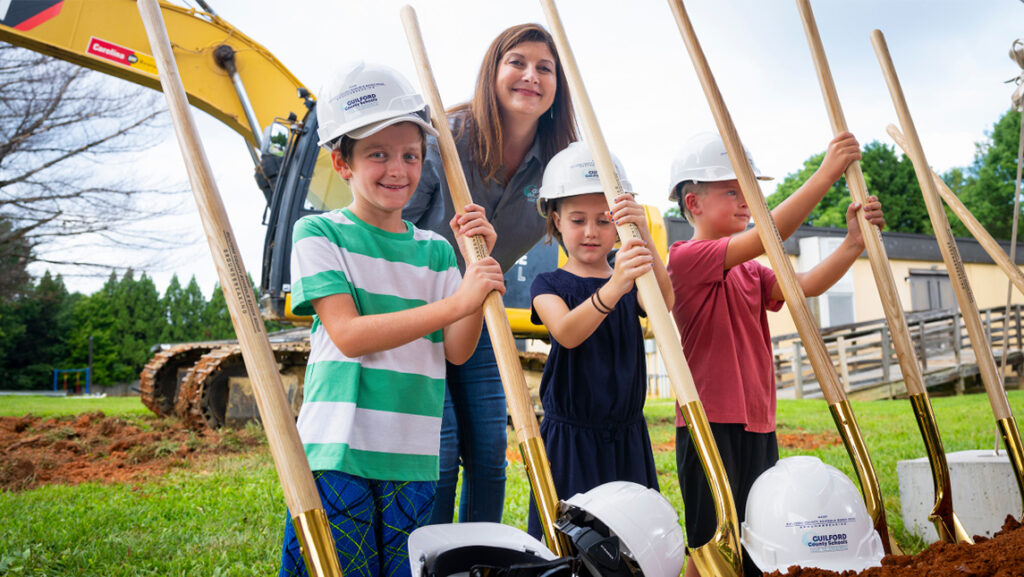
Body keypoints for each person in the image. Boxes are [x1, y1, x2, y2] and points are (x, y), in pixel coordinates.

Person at [279, 61, 506, 577]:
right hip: (340, 451)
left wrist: (476, 273)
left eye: (410, 155)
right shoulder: (319, 234)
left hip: (413, 452)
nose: (397, 169)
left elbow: (457, 350)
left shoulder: (436, 252)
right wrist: (456, 302)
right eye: (377, 155)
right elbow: (350, 335)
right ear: (342, 163)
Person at [666, 131, 884, 577]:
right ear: (694, 204)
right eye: (733, 191)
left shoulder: (750, 269)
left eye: (751, 192)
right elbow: (768, 234)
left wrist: (852, 244)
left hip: (757, 421)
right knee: (712, 543)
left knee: (754, 534)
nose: (748, 202)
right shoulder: (685, 259)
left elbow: (802, 287)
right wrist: (826, 174)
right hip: (708, 425)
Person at [403, 23, 577, 525]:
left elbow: (586, 228)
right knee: (441, 453)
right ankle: (430, 557)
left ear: (558, 86)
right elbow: (394, 229)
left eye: (545, 68)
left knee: (489, 453)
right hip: (419, 310)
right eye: (517, 62)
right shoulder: (444, 141)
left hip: (479, 314)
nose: (531, 76)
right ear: (492, 72)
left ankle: (483, 559)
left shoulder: (557, 167)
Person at [526, 142, 673, 538]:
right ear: (556, 221)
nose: (591, 232)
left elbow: (664, 304)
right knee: (569, 542)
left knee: (631, 539)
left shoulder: (631, 273)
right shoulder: (549, 283)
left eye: (605, 220)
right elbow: (568, 333)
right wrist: (615, 285)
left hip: (627, 435)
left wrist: (644, 240)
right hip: (570, 439)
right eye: (578, 220)